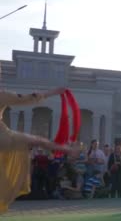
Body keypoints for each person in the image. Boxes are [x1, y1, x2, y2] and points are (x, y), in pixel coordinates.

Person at [0, 85, 78, 213]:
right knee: (38, 140)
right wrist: (53, 91)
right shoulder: (2, 95)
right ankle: (68, 150)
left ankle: (68, 150)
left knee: (37, 141)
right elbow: (28, 98)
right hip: (2, 137)